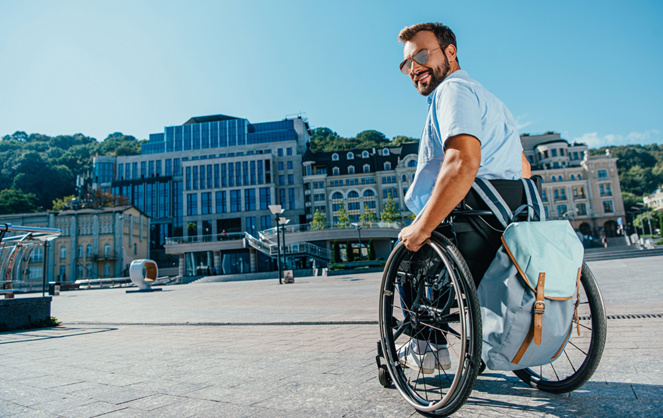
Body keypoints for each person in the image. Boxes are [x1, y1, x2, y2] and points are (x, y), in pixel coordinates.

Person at [395, 22, 532, 374]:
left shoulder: (452, 91)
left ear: (450, 52)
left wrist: (421, 227)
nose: (414, 68)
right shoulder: (493, 101)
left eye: (422, 55)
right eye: (407, 63)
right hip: (508, 225)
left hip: (472, 224)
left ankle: (427, 347)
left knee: (407, 259)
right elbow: (524, 170)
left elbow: (463, 161)